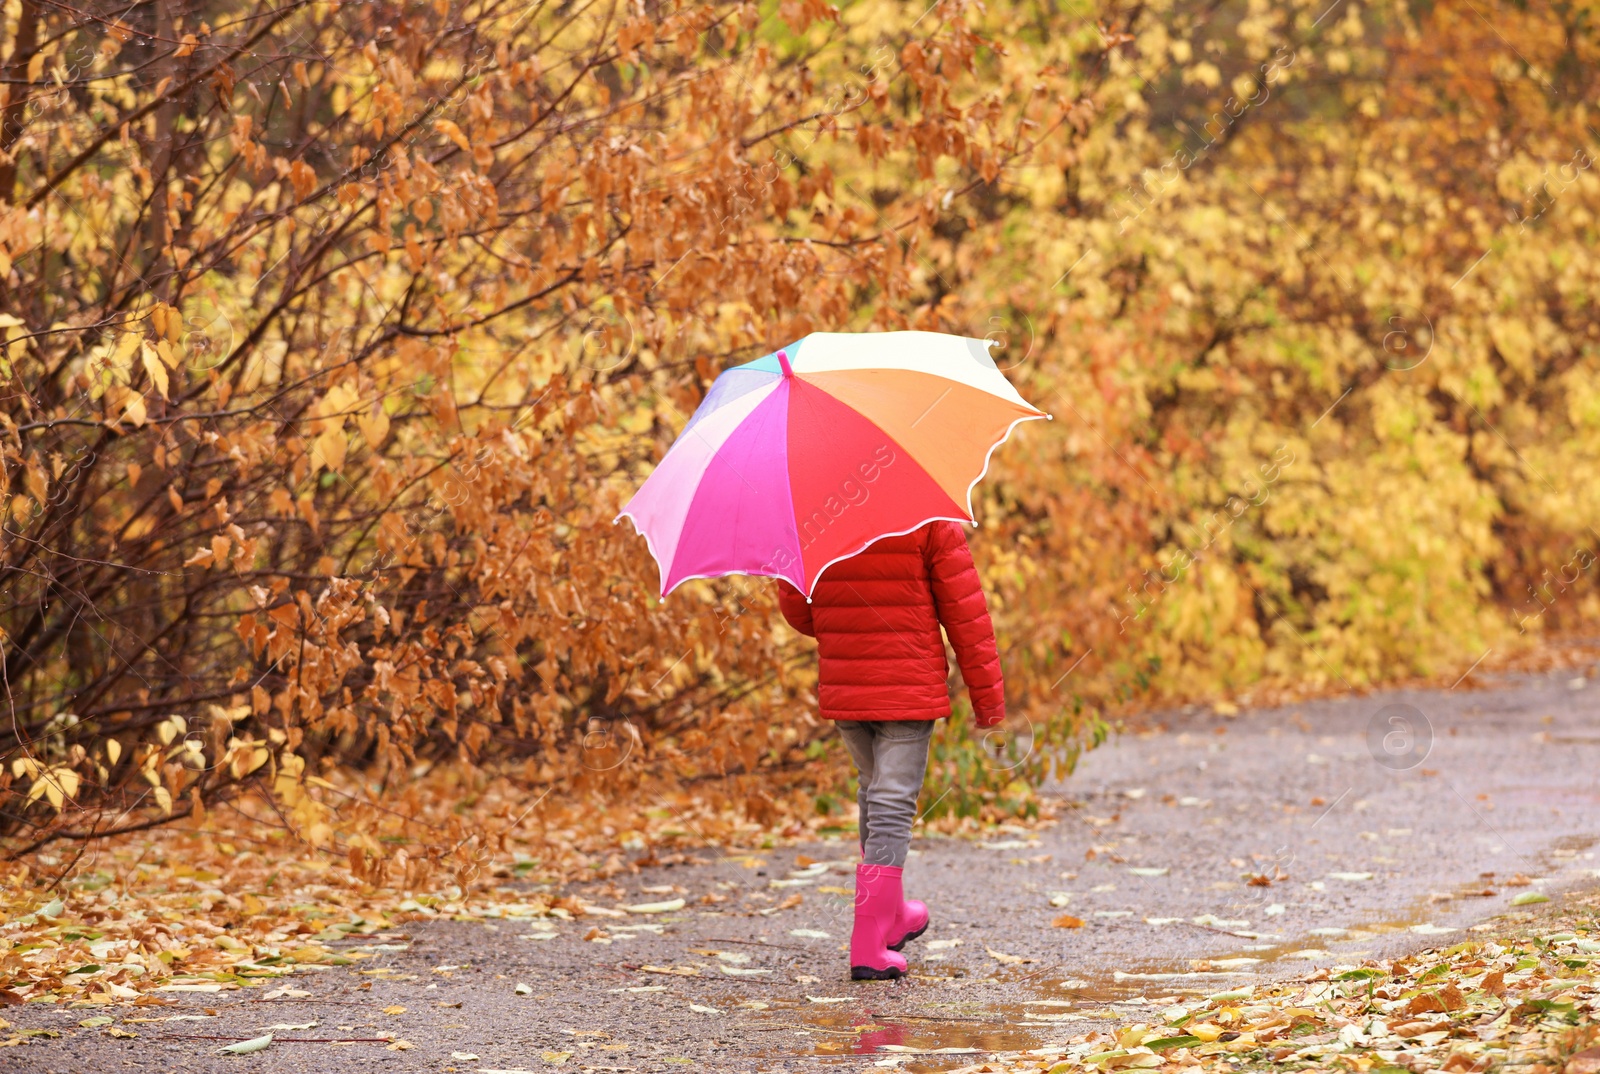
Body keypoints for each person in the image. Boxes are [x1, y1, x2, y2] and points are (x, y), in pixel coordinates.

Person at [776, 520, 1006, 980]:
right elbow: (965, 614)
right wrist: (989, 702)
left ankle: (894, 913)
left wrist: (848, 629)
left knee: (875, 790)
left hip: (848, 684)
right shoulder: (931, 517)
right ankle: (868, 941)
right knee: (892, 799)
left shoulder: (811, 513)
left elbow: (797, 609)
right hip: (907, 685)